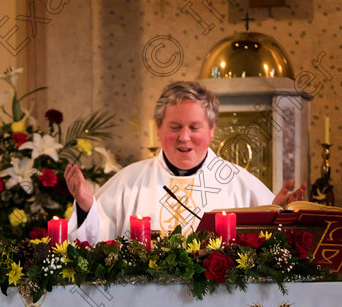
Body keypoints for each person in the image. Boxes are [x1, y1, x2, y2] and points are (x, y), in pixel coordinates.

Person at [65, 80, 306, 242]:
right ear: (158, 128)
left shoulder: (241, 184)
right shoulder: (129, 182)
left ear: (212, 129)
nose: (184, 137)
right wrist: (86, 206)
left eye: (194, 127)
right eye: (175, 127)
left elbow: (269, 254)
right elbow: (93, 245)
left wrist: (278, 214)